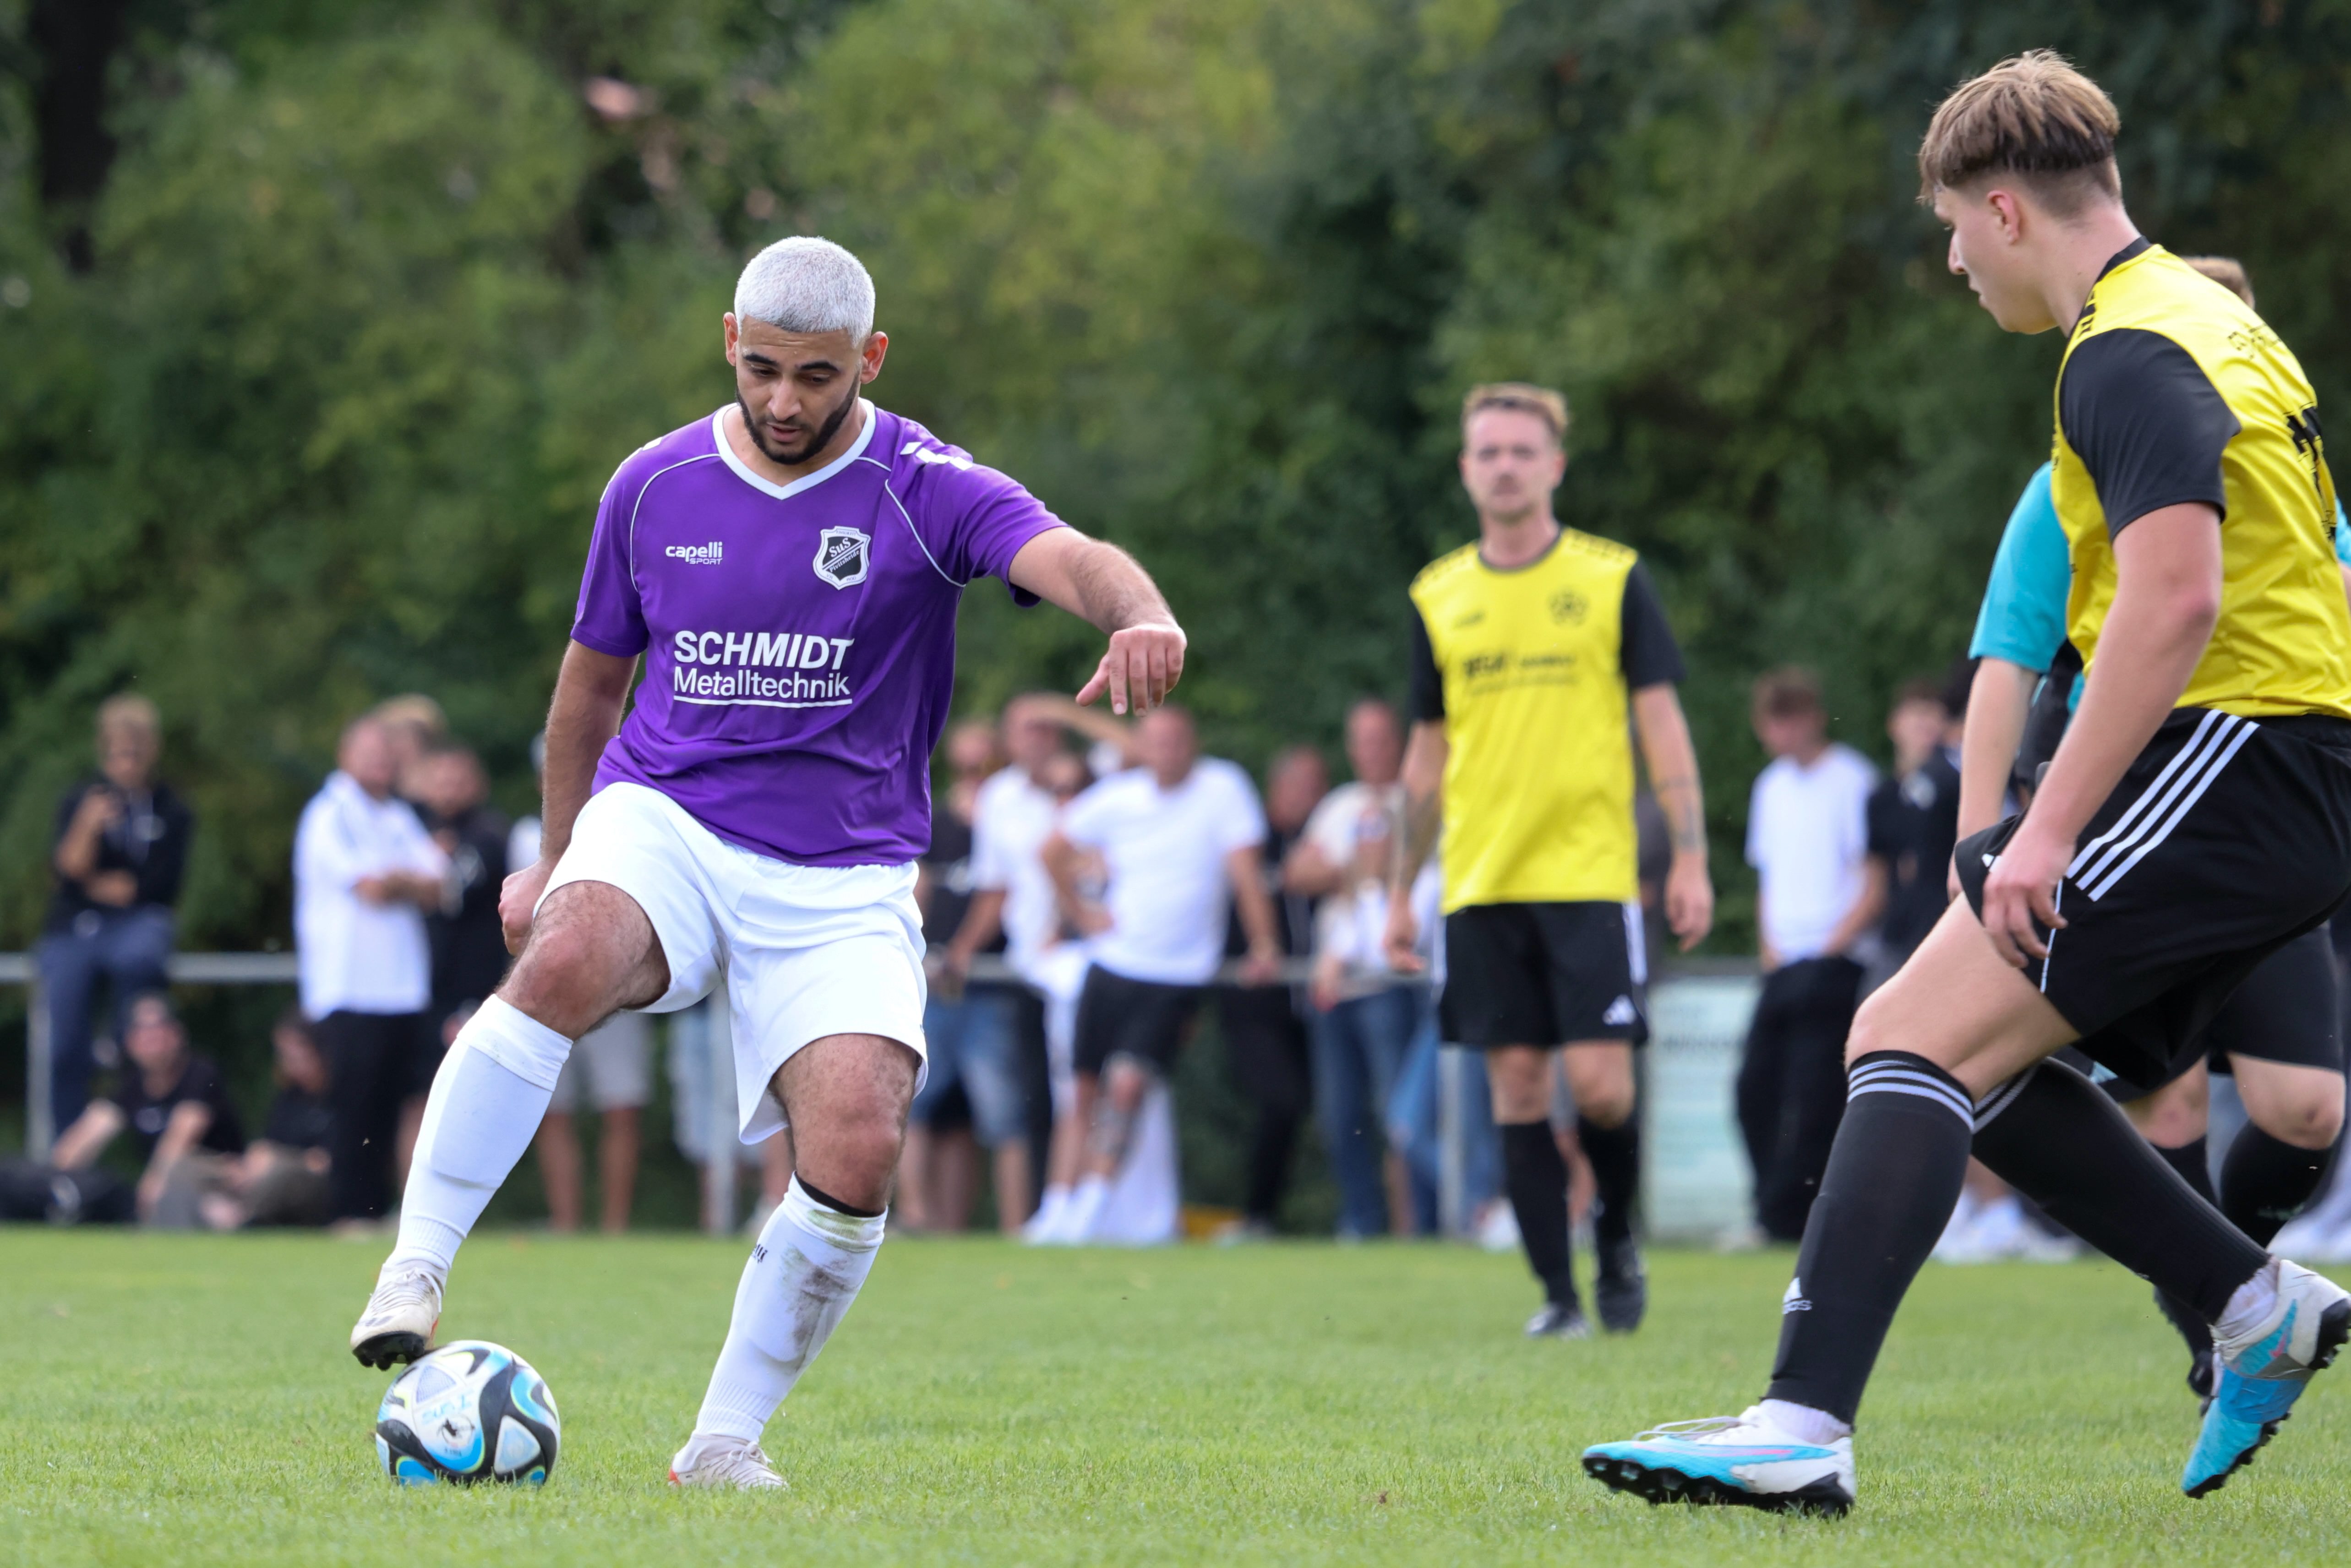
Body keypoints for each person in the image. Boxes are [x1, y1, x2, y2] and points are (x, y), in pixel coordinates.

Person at [1585, 52, 2351, 1512]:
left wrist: (2039, 827)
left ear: (2003, 209)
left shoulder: (2124, 348)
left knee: (1907, 1035)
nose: (1951, 261)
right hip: (2276, 764)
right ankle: (2246, 1302)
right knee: (1957, 1062)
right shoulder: (2220, 326)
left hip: (2234, 751)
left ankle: (1800, 1425)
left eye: (1950, 227)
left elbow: (2176, 597)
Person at [346, 235, 1189, 1492]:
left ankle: (720, 1443)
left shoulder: (925, 486)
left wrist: (1140, 612)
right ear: (728, 344)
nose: (785, 401)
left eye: (816, 375)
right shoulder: (653, 485)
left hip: (844, 873)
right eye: (762, 370)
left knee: (857, 1145)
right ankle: (414, 1264)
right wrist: (556, 857)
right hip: (667, 819)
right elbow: (587, 693)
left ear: (870, 359)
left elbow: (1068, 556)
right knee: (568, 954)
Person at [1952, 252, 2346, 1388]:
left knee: (2306, 1108)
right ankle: (2217, 1338)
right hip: (2127, 801)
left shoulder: (2297, 487)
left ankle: (2240, 1290)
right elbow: (2006, 664)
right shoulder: (2068, 479)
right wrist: (1973, 839)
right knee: (2155, 1089)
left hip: (2254, 807)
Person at [1386, 382, 1715, 1339]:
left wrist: (1689, 858)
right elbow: (1423, 758)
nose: (1504, 467)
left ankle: (1613, 1231)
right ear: (1464, 470)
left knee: (1603, 1085)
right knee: (1518, 1085)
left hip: (1589, 875)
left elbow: (1663, 727)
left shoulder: (1612, 579)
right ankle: (1557, 1296)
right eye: (1487, 452)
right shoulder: (1437, 594)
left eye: (1521, 451)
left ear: (1554, 466)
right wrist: (1398, 890)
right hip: (1481, 879)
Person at [1033, 706, 1283, 1242]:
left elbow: (1246, 875)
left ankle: (1093, 1207)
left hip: (1178, 973)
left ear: (1193, 743)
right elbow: (1051, 851)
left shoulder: (1223, 789)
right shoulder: (1119, 798)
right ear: (1142, 748)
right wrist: (1083, 914)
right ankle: (1057, 1206)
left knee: (1127, 1085)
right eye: (1157, 742)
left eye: (1177, 740)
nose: (1167, 752)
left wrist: (1264, 943)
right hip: (1113, 962)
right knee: (1082, 1090)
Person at [944, 694, 1132, 1236]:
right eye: (1027, 729)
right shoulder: (1000, 797)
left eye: (1046, 728)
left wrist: (1066, 710)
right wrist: (962, 948)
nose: (1038, 738)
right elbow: (996, 887)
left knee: (1086, 1084)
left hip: (1092, 960)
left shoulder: (1091, 782)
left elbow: (1138, 750)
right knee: (1041, 1095)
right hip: (1031, 966)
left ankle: (1084, 1207)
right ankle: (1048, 1211)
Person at [1735, 669, 1880, 1246]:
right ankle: (1769, 1208)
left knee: (1816, 1095)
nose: (1783, 733)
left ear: (1814, 718)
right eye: (1774, 722)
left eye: (1791, 719)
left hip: (1834, 959)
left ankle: (1798, 1216)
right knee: (1754, 1089)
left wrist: (1834, 943)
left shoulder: (1853, 780)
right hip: (1783, 961)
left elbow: (1873, 876)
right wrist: (1769, 947)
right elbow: (1768, 878)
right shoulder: (1769, 787)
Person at [295, 714, 449, 1225]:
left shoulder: (397, 816)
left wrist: (399, 881)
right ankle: (346, 1211)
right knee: (353, 1107)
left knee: (389, 1106)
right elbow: (372, 889)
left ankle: (376, 1211)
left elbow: (438, 885)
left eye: (386, 753)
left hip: (400, 988)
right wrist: (407, 881)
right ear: (345, 756)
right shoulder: (330, 813)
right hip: (350, 986)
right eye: (369, 753)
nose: (380, 762)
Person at [511, 733, 655, 1235]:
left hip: (617, 987)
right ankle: (566, 1223)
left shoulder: (628, 828)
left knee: (621, 1106)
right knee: (553, 1111)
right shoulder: (526, 836)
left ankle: (614, 1227)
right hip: (551, 988)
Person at [36, 694, 194, 1138]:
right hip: (77, 927)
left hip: (138, 925)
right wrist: (87, 827)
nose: (126, 763)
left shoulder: (171, 808)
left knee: (140, 956)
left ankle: (119, 1037)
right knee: (64, 1040)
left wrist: (97, 885)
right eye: (118, 752)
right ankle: (65, 1150)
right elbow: (65, 873)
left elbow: (156, 887)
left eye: (135, 753)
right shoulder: (80, 799)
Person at [1293, 701, 1419, 1238]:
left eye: (1380, 738)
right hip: (1337, 984)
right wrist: (1358, 868)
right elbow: (1299, 872)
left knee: (1399, 1115)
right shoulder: (1339, 805)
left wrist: (1364, 873)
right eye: (1362, 740)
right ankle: (1361, 1221)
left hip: (1390, 982)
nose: (1371, 750)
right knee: (1340, 1114)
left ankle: (1416, 1226)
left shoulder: (1417, 801)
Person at [902, 717, 1032, 1232]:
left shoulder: (1011, 819)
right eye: (966, 767)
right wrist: (909, 952)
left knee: (1000, 1116)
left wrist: (960, 952)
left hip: (988, 984)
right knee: (915, 1108)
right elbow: (920, 885)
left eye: (984, 766)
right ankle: (915, 1220)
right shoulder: (932, 815)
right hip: (934, 984)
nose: (974, 777)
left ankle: (1017, 1228)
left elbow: (1000, 894)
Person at [1211, 742, 1323, 1238]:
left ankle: (1361, 1220)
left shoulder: (1326, 840)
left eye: (1317, 787)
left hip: (1315, 1001)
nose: (1310, 797)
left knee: (1323, 1107)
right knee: (1280, 1099)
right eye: (1301, 786)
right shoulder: (1250, 842)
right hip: (1255, 1001)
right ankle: (1258, 1214)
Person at [52, 992, 246, 1226]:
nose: (151, 1039)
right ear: (130, 1041)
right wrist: (55, 1179)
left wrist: (154, 1182)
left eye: (158, 1029)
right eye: (142, 1031)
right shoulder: (131, 1084)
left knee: (179, 1175)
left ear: (176, 1034)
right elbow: (91, 1131)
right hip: (168, 1179)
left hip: (218, 1172)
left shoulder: (200, 1074)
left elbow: (183, 1135)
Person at [409, 743, 512, 1184]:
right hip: (422, 986)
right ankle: (412, 1195)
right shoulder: (412, 829)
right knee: (418, 1094)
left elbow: (450, 891)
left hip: (471, 988)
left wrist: (407, 876)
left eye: (458, 780)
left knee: (466, 1096)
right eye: (441, 780)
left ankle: (463, 1193)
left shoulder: (488, 833)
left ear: (477, 785)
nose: (449, 790)